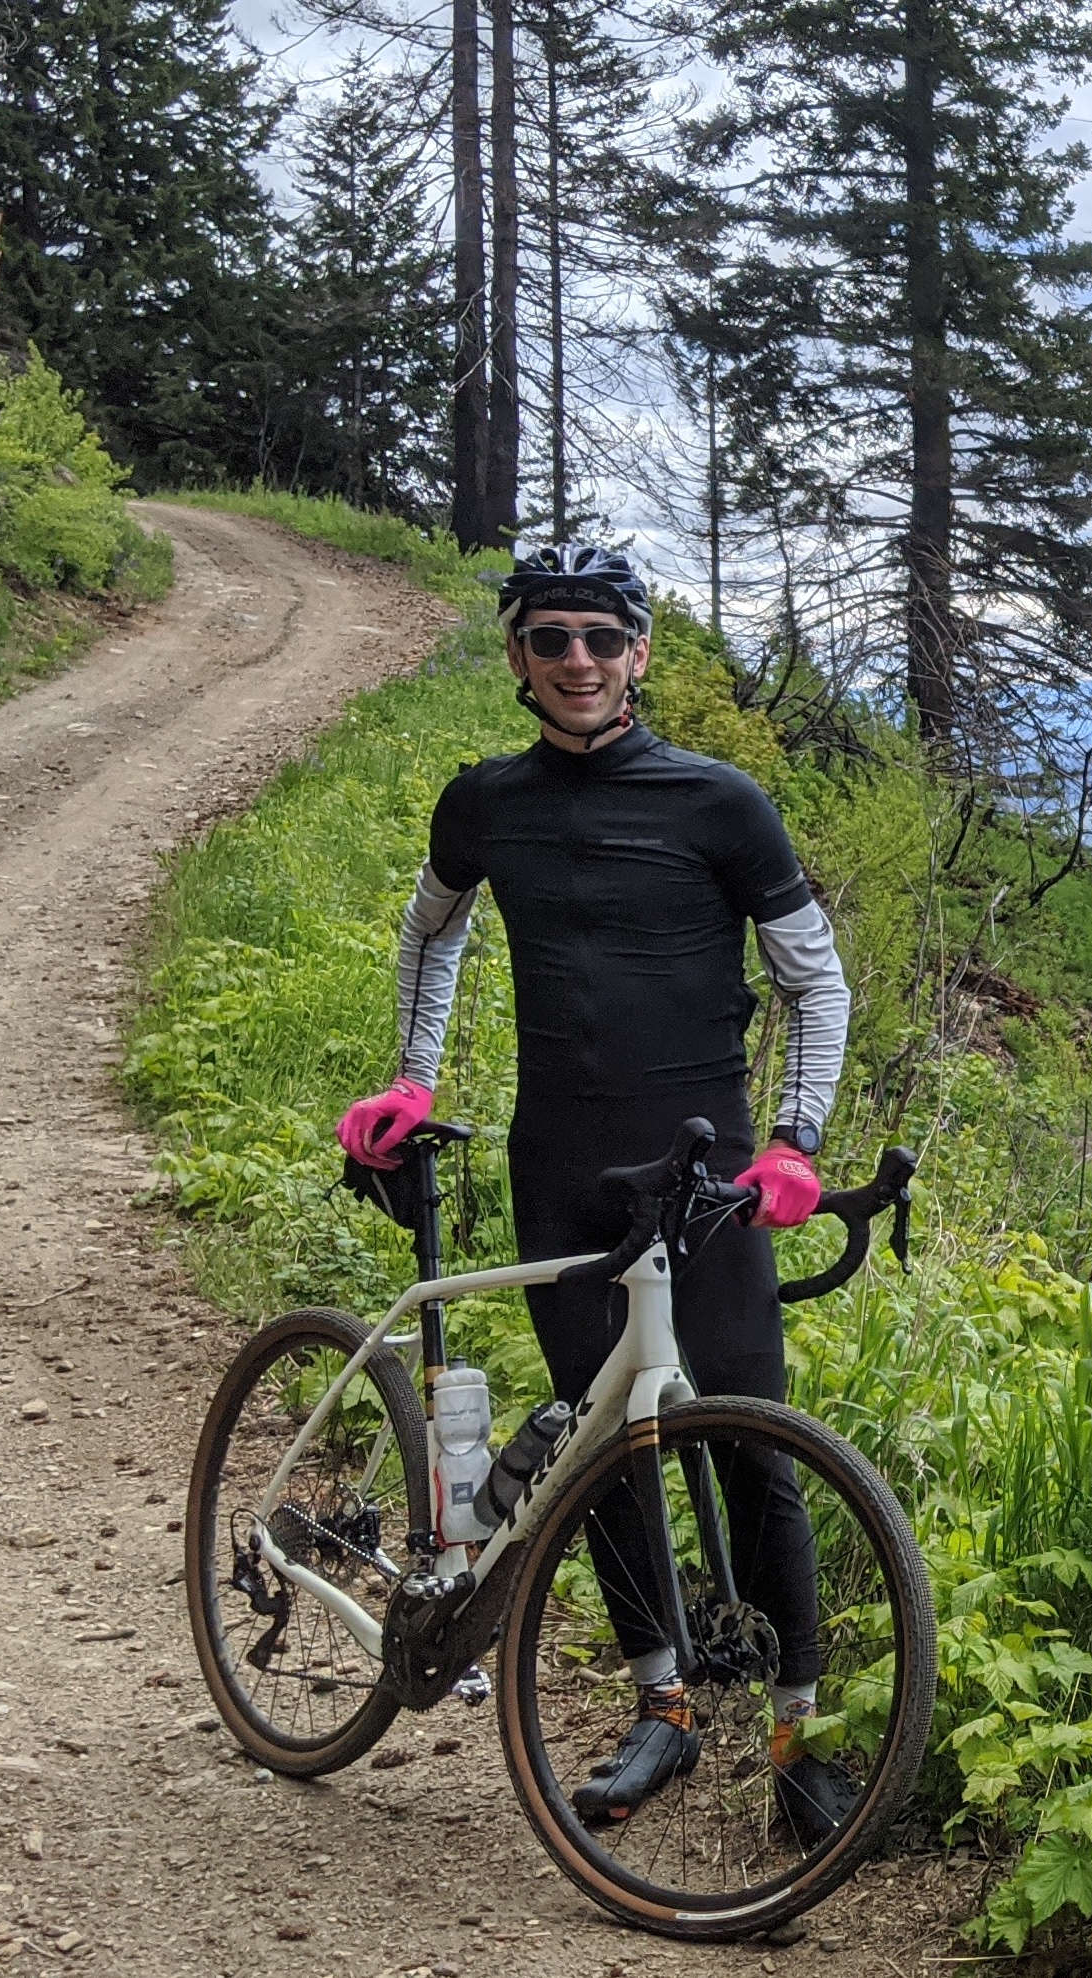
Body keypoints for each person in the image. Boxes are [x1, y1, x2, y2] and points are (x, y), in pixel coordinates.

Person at [337, 544, 854, 1841]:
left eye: (600, 637)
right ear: (516, 655)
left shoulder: (720, 803)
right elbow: (429, 928)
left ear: (639, 654)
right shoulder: (484, 803)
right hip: (559, 1167)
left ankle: (798, 1741)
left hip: (706, 1175)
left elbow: (816, 982)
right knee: (598, 1444)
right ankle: (661, 1709)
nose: (577, 658)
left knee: (748, 1445)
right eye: (551, 636)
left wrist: (792, 1136)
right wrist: (410, 1074)